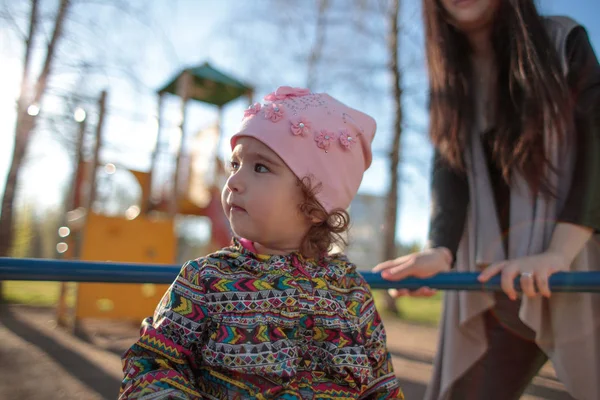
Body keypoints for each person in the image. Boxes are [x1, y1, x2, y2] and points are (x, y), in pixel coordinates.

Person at [374, 0, 600, 399]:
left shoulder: (564, 40)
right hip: (497, 282)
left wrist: (558, 253)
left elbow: (594, 147)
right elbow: (450, 174)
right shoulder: (448, 83)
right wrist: (439, 250)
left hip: (578, 263)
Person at [119, 86, 404, 399]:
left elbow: (381, 384)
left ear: (315, 206)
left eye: (260, 167)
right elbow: (154, 362)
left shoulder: (351, 291)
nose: (233, 181)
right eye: (235, 165)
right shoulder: (207, 280)